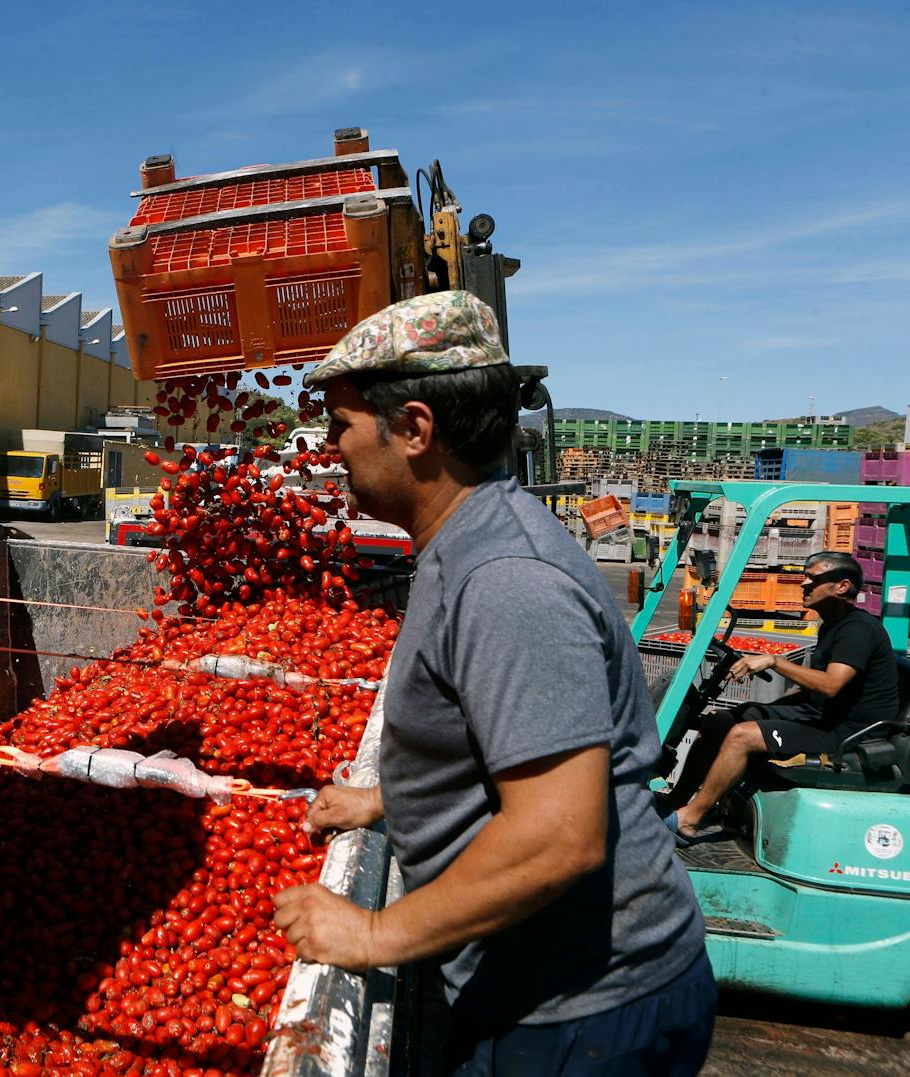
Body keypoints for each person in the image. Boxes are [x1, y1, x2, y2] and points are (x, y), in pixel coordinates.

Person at [268, 291, 714, 1075]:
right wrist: (398, 795)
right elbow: (498, 735)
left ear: (414, 429)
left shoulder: (506, 578)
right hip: (556, 995)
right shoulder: (463, 542)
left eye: (341, 425)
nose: (329, 447)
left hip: (583, 1017)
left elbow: (558, 835)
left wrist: (373, 934)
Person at [667, 551, 899, 838]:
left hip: (847, 732)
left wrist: (774, 661)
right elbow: (812, 693)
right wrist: (766, 711)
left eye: (812, 579)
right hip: (822, 716)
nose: (803, 584)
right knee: (721, 721)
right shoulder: (832, 627)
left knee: (743, 736)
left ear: (842, 586)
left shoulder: (858, 630)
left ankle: (690, 819)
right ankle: (676, 801)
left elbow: (830, 686)